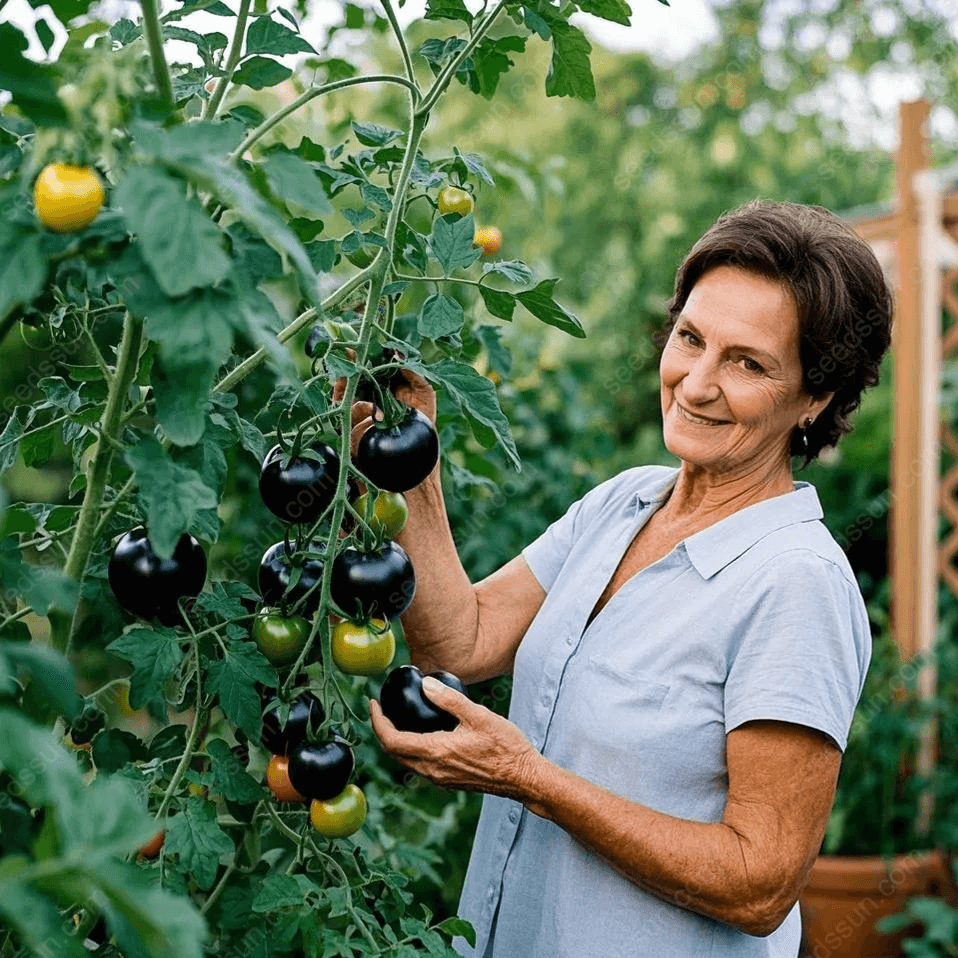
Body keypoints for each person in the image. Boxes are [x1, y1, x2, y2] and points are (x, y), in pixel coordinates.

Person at [345, 200, 893, 957]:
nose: (696, 383)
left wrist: (530, 779)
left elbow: (760, 882)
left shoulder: (794, 583)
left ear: (816, 397)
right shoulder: (626, 502)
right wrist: (412, 471)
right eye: (691, 338)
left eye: (747, 362)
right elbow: (460, 640)